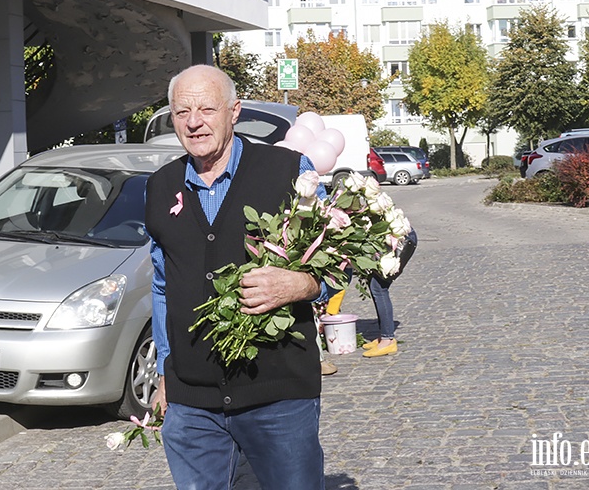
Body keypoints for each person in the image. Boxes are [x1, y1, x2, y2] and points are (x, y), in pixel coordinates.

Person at [144, 64, 327, 490]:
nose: (193, 122)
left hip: (277, 393)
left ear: (234, 111)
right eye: (181, 111)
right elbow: (161, 284)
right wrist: (167, 374)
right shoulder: (159, 185)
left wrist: (300, 285)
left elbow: (339, 262)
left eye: (207, 108)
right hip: (192, 404)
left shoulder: (288, 171)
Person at [361, 229, 417, 358]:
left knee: (379, 286)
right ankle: (384, 336)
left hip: (402, 240)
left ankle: (388, 340)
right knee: (374, 283)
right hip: (392, 238)